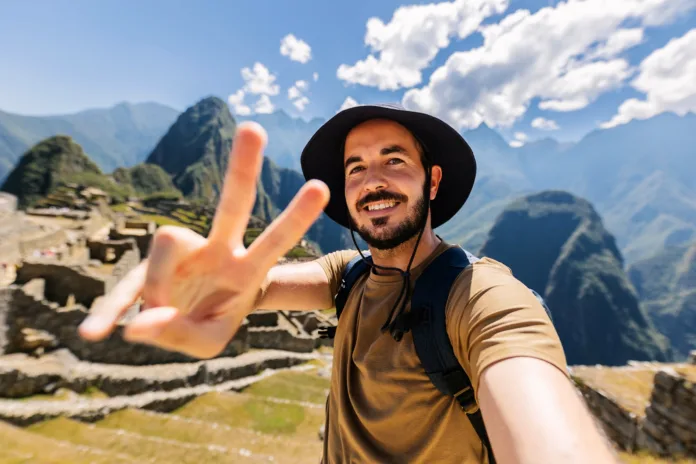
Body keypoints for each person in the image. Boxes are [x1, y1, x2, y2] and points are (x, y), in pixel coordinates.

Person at [78, 104, 619, 463]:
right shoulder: (350, 273)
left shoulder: (482, 297)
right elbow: (262, 288)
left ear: (432, 180)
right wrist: (225, 293)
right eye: (355, 168)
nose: (372, 180)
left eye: (394, 160)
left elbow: (545, 430)